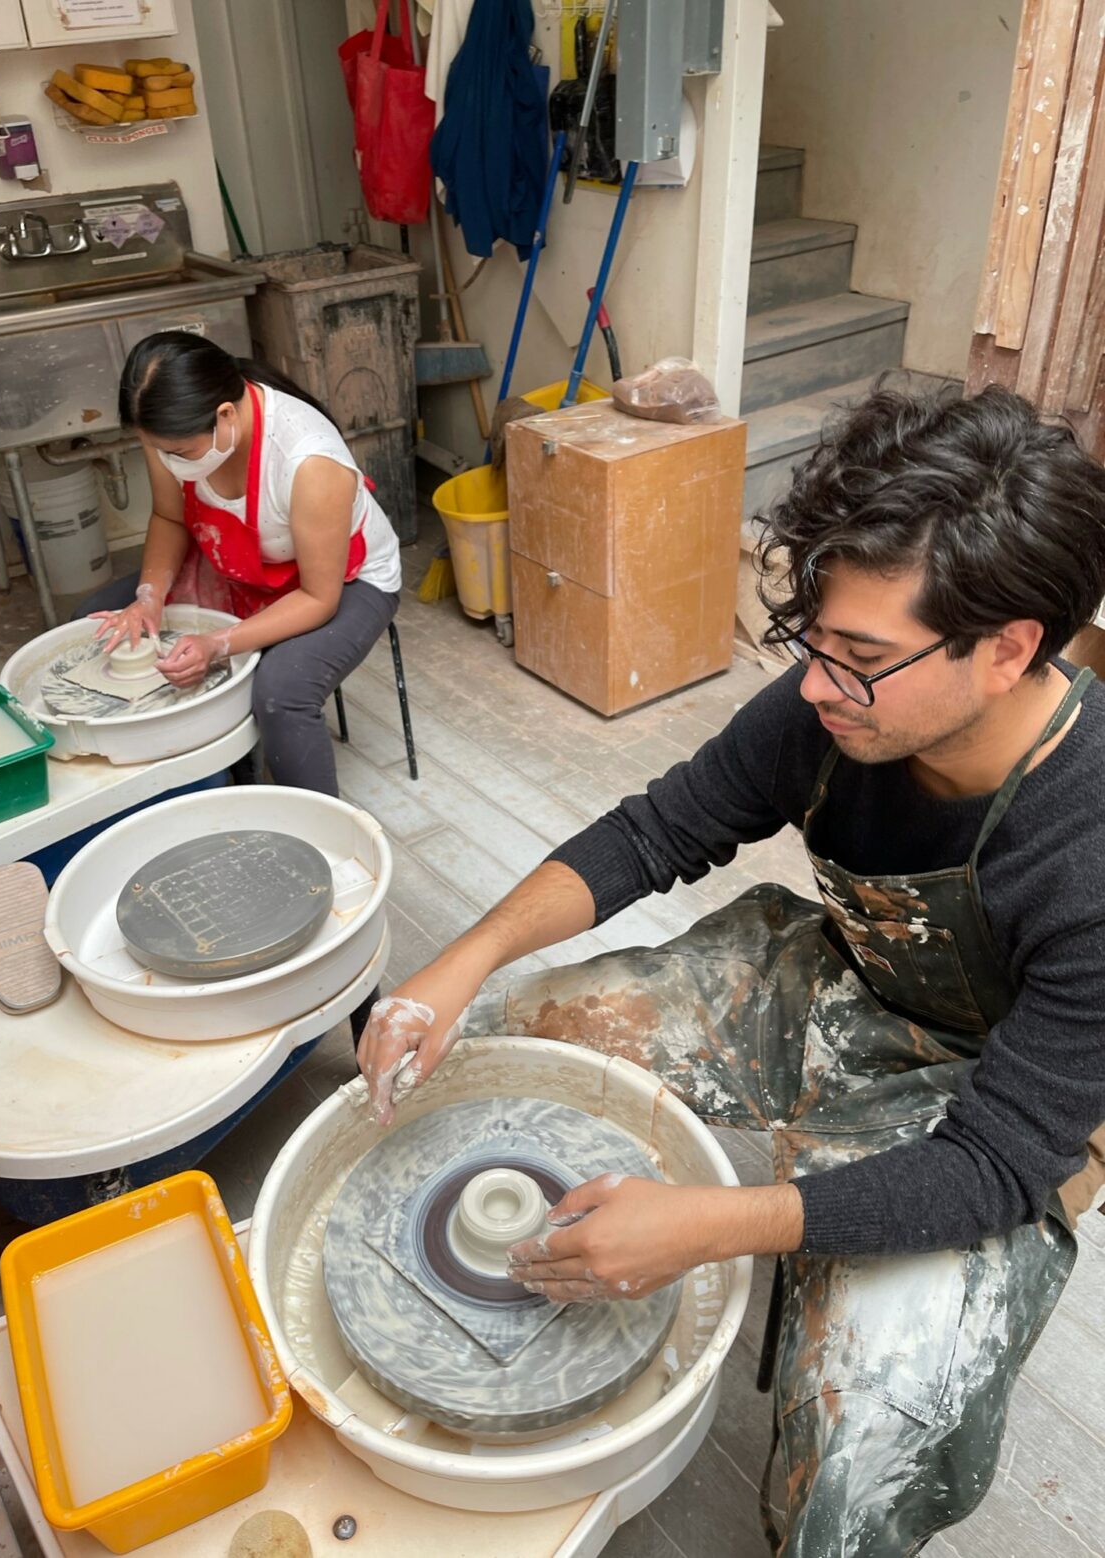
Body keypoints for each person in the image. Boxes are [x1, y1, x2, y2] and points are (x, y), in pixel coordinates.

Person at [357, 384, 1105, 1553]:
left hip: (984, 1110)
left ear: (1008, 649)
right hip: (841, 982)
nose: (814, 685)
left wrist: (711, 1224)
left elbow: (998, 1164)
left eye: (860, 657)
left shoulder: (1091, 846)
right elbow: (659, 829)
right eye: (814, 638)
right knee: (510, 1029)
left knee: (851, 1475)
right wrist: (460, 958)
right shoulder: (834, 708)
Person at [77, 332, 402, 793]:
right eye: (160, 450)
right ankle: (199, 784)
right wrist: (148, 598)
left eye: (181, 453)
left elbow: (318, 598)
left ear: (225, 415)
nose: (171, 461)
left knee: (280, 694)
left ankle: (318, 837)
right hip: (238, 562)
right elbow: (170, 516)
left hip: (343, 581)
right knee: (97, 628)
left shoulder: (308, 460)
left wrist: (216, 643)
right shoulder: (170, 432)